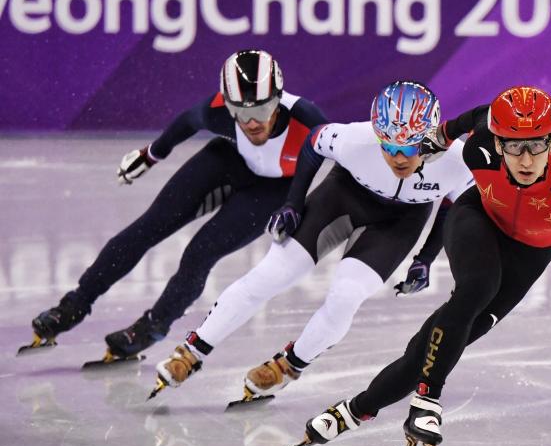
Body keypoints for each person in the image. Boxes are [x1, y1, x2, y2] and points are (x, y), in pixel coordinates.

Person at [292, 86, 551, 446]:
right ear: (498, 145)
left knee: (431, 349)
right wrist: (446, 133)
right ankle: (427, 402)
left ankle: (351, 412)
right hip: (477, 219)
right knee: (478, 286)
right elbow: (479, 117)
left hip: (528, 256)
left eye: (536, 145)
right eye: (514, 146)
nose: (526, 158)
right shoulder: (478, 151)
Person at [150, 81, 475, 401]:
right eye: (388, 146)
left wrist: (426, 257)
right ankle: (192, 350)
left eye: (408, 148)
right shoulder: (353, 139)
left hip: (399, 224)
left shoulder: (459, 160)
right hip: (342, 198)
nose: (398, 158)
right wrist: (292, 204)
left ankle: (288, 367)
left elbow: (452, 203)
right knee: (272, 274)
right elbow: (312, 144)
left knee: (346, 297)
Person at [22, 50, 328, 362]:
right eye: (240, 110)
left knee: (200, 252)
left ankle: (153, 326)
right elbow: (188, 120)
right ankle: (74, 304)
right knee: (149, 226)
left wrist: (306, 205)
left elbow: (344, 159)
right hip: (227, 161)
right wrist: (151, 154)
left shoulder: (308, 119)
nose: (252, 121)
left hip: (272, 190)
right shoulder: (219, 112)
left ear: (277, 99)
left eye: (262, 109)